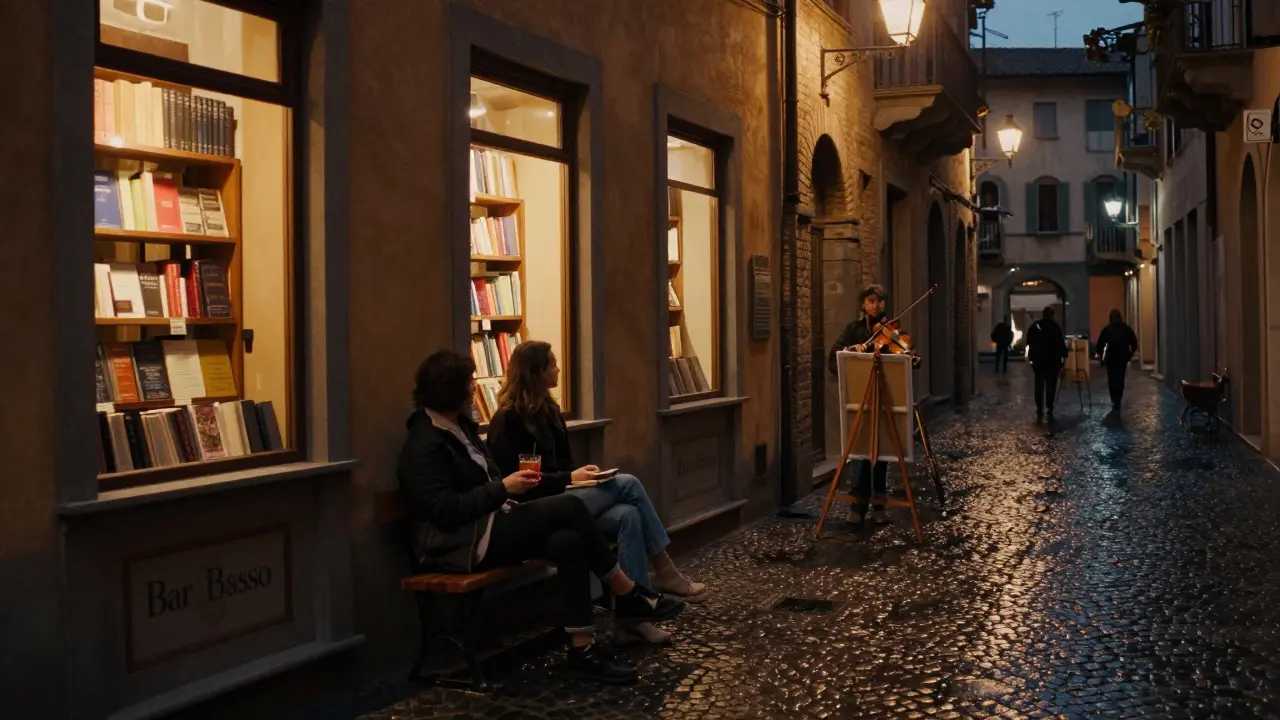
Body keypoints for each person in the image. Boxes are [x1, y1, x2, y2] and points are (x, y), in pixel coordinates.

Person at [397, 350, 684, 684]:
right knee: (574, 507)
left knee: (569, 541)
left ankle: (583, 648)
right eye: (469, 381)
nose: (474, 388)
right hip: (463, 545)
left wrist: (508, 490)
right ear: (450, 389)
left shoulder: (459, 428)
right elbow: (446, 513)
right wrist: (503, 488)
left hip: (492, 524)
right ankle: (628, 592)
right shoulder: (424, 443)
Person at [486, 341, 707, 646]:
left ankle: (632, 622)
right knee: (629, 484)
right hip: (539, 512)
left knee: (628, 515)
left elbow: (562, 465)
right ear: (536, 372)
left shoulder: (550, 412)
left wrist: (582, 477)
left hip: (570, 499)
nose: (559, 369)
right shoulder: (508, 422)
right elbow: (525, 482)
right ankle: (664, 569)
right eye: (552, 364)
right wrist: (569, 478)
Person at [827, 285, 921, 526]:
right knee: (859, 452)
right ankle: (857, 505)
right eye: (871, 301)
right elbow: (832, 359)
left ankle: (879, 503)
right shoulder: (853, 330)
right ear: (863, 305)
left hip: (885, 399)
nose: (877, 306)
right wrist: (849, 350)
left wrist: (909, 357)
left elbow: (906, 356)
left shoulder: (893, 331)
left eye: (880, 301)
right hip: (860, 399)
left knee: (882, 452)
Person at [1025, 306, 1067, 418]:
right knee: (1051, 385)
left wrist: (1032, 356)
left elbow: (1028, 342)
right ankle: (1049, 407)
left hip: (1038, 361)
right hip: (1053, 361)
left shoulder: (1035, 327)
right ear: (1052, 315)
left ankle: (1039, 407)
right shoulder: (1055, 327)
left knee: (1039, 384)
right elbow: (1060, 344)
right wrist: (1063, 357)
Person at [1095, 308, 1138, 409]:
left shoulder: (1107, 329)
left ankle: (1114, 398)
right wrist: (1130, 354)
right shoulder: (1126, 328)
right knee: (1120, 378)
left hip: (1111, 358)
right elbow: (1134, 342)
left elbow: (1100, 343)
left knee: (1112, 378)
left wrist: (1100, 354)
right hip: (1122, 357)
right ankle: (1118, 398)